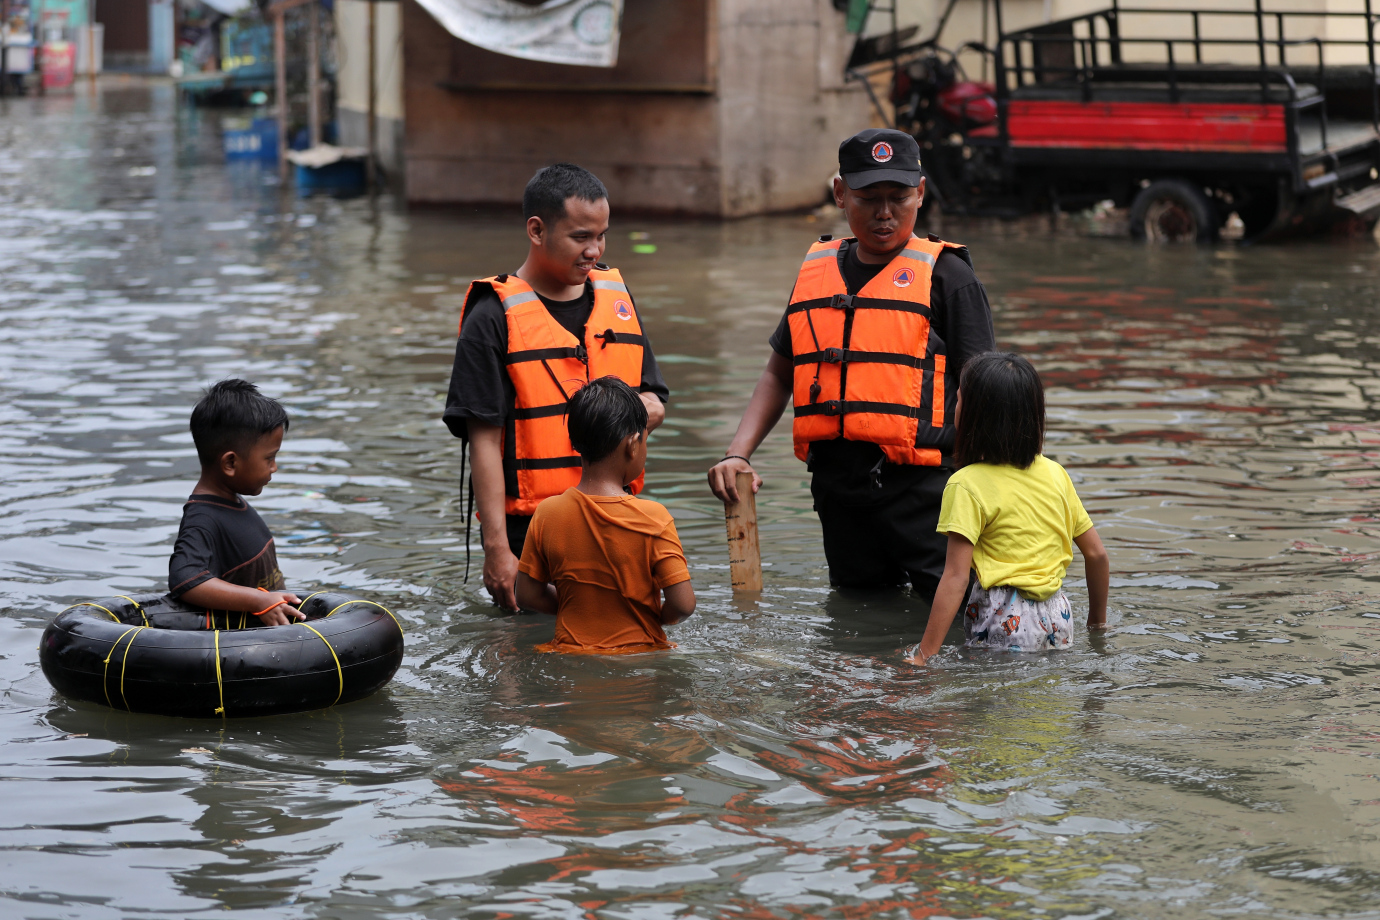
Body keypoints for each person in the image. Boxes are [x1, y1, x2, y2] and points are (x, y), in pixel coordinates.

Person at [707, 128, 996, 602]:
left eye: (898, 197)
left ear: (920, 193)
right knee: (860, 618)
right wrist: (737, 452)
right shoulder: (817, 273)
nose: (884, 213)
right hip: (839, 491)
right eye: (868, 198)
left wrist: (980, 487)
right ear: (840, 194)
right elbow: (780, 372)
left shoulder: (949, 277)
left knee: (959, 618)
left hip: (927, 492)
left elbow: (980, 389)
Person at [443, 163, 671, 611]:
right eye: (580, 237)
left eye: (601, 236)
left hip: (617, 516)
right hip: (531, 530)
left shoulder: (617, 302)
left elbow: (654, 398)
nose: (594, 250)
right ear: (536, 229)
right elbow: (484, 440)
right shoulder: (491, 317)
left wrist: (638, 412)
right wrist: (497, 550)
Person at [907, 353, 1109, 663]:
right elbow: (1096, 554)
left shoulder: (966, 484)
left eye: (958, 399)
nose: (954, 407)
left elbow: (955, 578)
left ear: (975, 416)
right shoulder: (1056, 473)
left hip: (1001, 618)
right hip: (1058, 616)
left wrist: (923, 656)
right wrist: (1097, 624)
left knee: (993, 704)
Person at [515, 377, 695, 653]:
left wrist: (578, 607)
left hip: (568, 661)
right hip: (641, 663)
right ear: (633, 444)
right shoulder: (654, 517)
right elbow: (683, 605)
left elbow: (527, 595)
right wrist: (658, 616)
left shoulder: (547, 513)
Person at [169, 379, 303, 627]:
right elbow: (185, 579)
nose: (275, 467)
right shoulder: (203, 519)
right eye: (269, 458)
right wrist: (257, 600)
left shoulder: (232, 502)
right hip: (243, 650)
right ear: (230, 463)